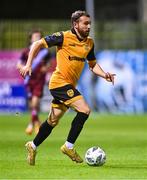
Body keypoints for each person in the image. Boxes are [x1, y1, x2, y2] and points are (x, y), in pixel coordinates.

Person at [18, 10, 116, 165]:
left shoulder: (89, 43)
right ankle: (68, 146)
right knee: (84, 110)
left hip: (69, 85)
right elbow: (38, 43)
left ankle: (33, 145)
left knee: (53, 121)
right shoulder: (62, 37)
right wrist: (28, 64)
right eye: (85, 23)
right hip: (59, 83)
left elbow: (92, 65)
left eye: (89, 23)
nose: (88, 26)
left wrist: (104, 75)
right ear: (75, 24)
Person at [17, 29, 51, 135]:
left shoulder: (44, 52)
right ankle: (36, 122)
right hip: (28, 80)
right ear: (30, 38)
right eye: (35, 36)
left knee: (35, 102)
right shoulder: (25, 51)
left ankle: (32, 124)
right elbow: (18, 64)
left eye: (39, 36)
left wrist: (46, 68)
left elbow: (49, 63)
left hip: (39, 80)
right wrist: (22, 68)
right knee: (32, 104)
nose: (37, 38)